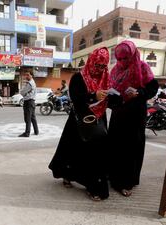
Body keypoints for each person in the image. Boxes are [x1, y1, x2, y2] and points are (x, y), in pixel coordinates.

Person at [48, 47, 111, 201]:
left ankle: (94, 186)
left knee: (95, 155)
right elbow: (76, 99)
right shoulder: (78, 77)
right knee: (72, 149)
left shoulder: (106, 77)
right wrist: (93, 95)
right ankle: (67, 175)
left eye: (103, 66)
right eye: (98, 65)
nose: (100, 69)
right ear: (91, 62)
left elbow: (110, 98)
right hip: (79, 119)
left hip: (98, 119)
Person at [108, 40, 159, 197]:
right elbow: (111, 92)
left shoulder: (142, 67)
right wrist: (112, 99)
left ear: (132, 55)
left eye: (126, 58)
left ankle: (127, 182)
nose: (122, 62)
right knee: (115, 146)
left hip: (135, 115)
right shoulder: (115, 71)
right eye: (120, 59)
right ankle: (113, 177)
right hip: (118, 114)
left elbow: (153, 88)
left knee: (131, 148)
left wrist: (139, 93)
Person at [19, 71, 39, 137]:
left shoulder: (30, 84)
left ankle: (27, 133)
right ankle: (36, 131)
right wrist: (25, 93)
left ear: (31, 75)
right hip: (32, 102)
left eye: (28, 75)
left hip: (29, 102)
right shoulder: (33, 82)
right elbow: (24, 92)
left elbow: (22, 92)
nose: (26, 76)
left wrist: (24, 93)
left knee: (28, 118)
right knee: (33, 118)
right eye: (26, 75)